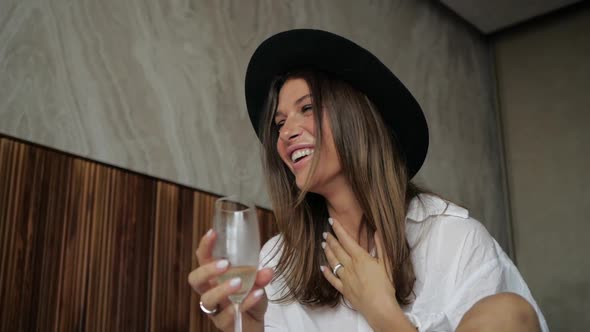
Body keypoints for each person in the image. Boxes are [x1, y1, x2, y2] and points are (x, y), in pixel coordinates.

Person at [188, 29, 549, 332]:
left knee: (507, 310)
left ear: (357, 121)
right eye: (280, 123)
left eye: (307, 109)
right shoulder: (275, 261)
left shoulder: (452, 239)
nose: (286, 133)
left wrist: (385, 316)